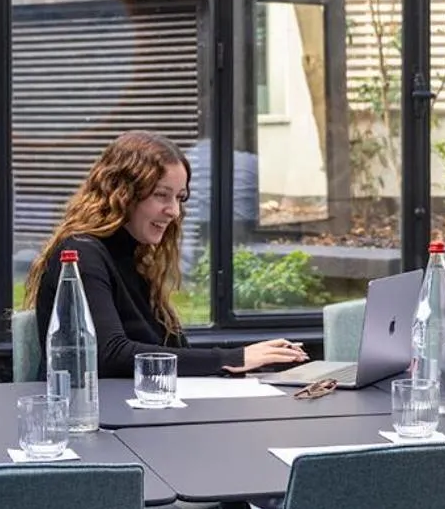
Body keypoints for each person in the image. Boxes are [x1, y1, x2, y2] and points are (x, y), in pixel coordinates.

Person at [28, 130, 309, 378]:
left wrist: (251, 360)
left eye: (179, 197)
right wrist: (231, 358)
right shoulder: (81, 252)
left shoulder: (137, 255)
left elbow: (168, 350)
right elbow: (109, 354)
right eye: (161, 195)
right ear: (122, 193)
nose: (174, 211)